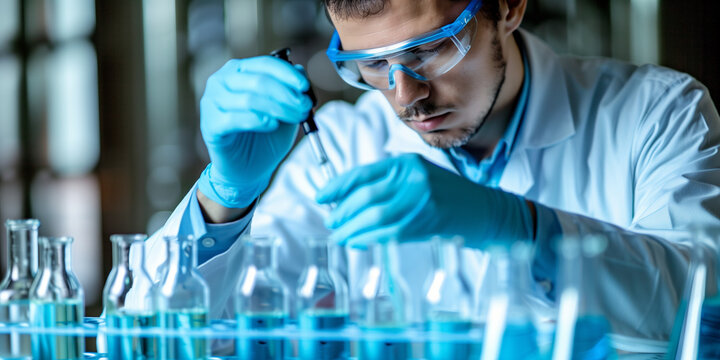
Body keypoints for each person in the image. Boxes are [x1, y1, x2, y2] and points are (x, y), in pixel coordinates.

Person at [140, 0, 720, 353]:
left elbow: (704, 307)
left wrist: (520, 228)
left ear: (508, 7)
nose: (406, 96)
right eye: (370, 64)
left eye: (434, 48)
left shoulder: (655, 113)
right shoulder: (346, 145)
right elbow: (151, 333)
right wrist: (226, 197)